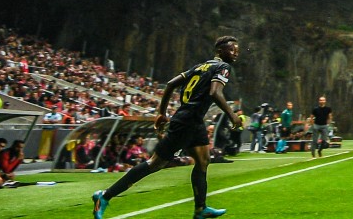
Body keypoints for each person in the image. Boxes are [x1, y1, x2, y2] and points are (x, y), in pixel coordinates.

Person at [91, 35, 245, 219]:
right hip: (187, 121)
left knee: (203, 161)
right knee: (155, 164)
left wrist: (162, 113)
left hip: (194, 120)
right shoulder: (222, 67)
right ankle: (105, 196)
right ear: (220, 51)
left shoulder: (200, 67)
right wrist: (232, 115)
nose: (235, 53)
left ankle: (200, 209)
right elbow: (215, 92)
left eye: (237, 50)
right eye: (231, 49)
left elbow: (171, 84)